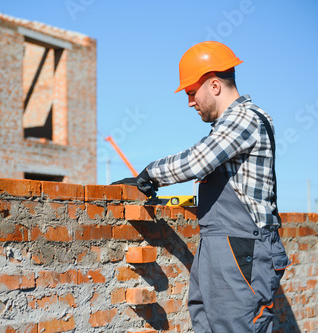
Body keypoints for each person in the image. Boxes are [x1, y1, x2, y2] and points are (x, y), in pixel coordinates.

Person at [112, 41, 291, 332]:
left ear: (215, 85)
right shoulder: (229, 126)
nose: (190, 102)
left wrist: (149, 174)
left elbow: (198, 160)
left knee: (237, 326)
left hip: (242, 246)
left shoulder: (244, 119)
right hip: (221, 244)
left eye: (192, 92)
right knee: (206, 322)